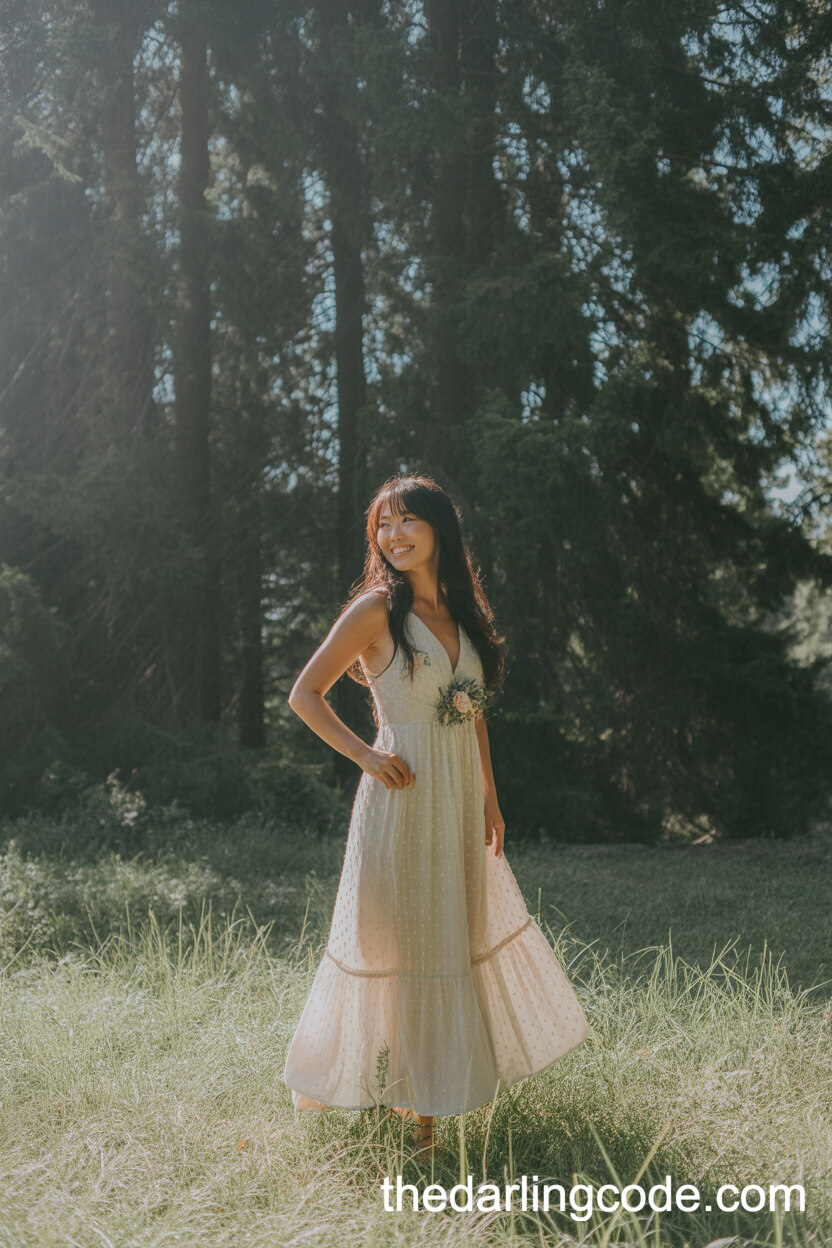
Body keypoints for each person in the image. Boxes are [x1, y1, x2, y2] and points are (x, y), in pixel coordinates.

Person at [283, 473, 588, 1157]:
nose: (392, 535)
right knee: (403, 943)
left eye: (405, 521)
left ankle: (425, 1101)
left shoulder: (463, 613)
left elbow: (470, 711)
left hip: (455, 801)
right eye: (381, 526)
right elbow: (304, 694)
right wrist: (366, 755)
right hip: (400, 796)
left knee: (450, 936)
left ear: (438, 528)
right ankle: (417, 1118)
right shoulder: (374, 610)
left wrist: (490, 794)